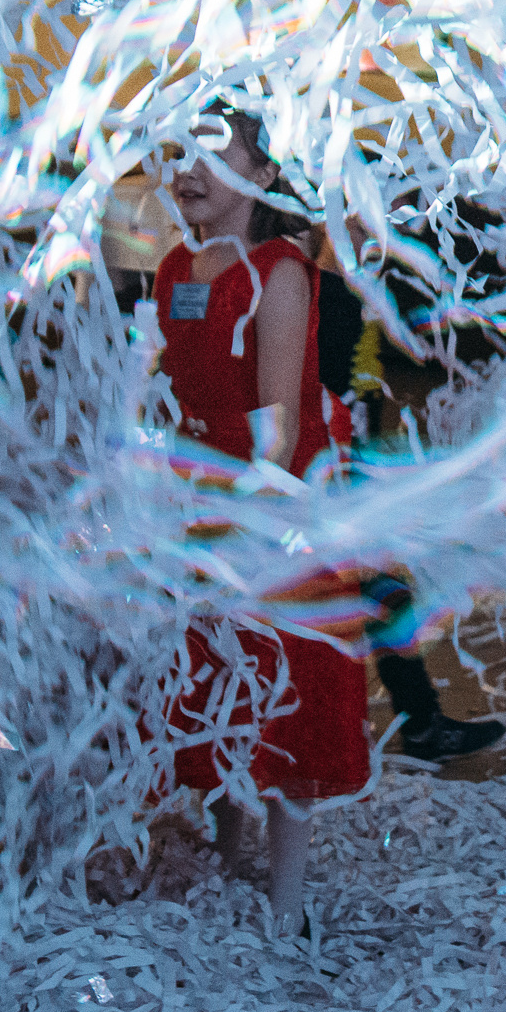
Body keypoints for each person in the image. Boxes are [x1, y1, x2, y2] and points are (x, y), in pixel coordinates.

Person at [155, 110, 370, 935]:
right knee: (217, 684)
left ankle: (285, 901)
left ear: (265, 173)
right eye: (180, 150)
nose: (189, 167)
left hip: (269, 512)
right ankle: (226, 847)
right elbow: (171, 388)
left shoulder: (279, 272)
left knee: (284, 695)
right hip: (196, 497)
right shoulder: (175, 266)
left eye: (213, 150)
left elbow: (277, 427)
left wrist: (237, 526)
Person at [304, 226, 505, 762]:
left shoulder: (351, 278)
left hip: (351, 452)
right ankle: (413, 726)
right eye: (362, 218)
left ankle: (417, 723)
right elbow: (326, 379)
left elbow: (360, 378)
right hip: (331, 464)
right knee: (378, 591)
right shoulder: (321, 284)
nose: (378, 229)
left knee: (382, 592)